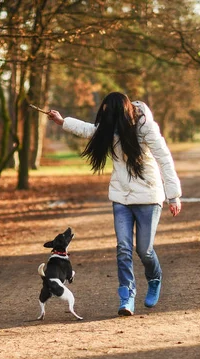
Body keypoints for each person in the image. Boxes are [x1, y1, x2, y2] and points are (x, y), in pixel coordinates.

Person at [47, 92, 182, 316]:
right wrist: (63, 121)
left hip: (148, 196)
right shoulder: (111, 127)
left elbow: (164, 158)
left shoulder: (145, 126)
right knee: (123, 249)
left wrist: (173, 195)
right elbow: (92, 130)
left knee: (144, 250)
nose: (107, 117)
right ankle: (127, 295)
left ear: (123, 111)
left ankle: (155, 278)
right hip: (121, 197)